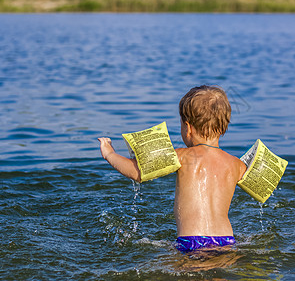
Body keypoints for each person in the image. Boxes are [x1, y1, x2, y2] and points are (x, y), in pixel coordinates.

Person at [98, 85, 247, 252]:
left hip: (191, 241)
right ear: (223, 127)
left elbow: (137, 173)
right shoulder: (236, 164)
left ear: (188, 128)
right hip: (227, 241)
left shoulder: (183, 156)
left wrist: (110, 154)